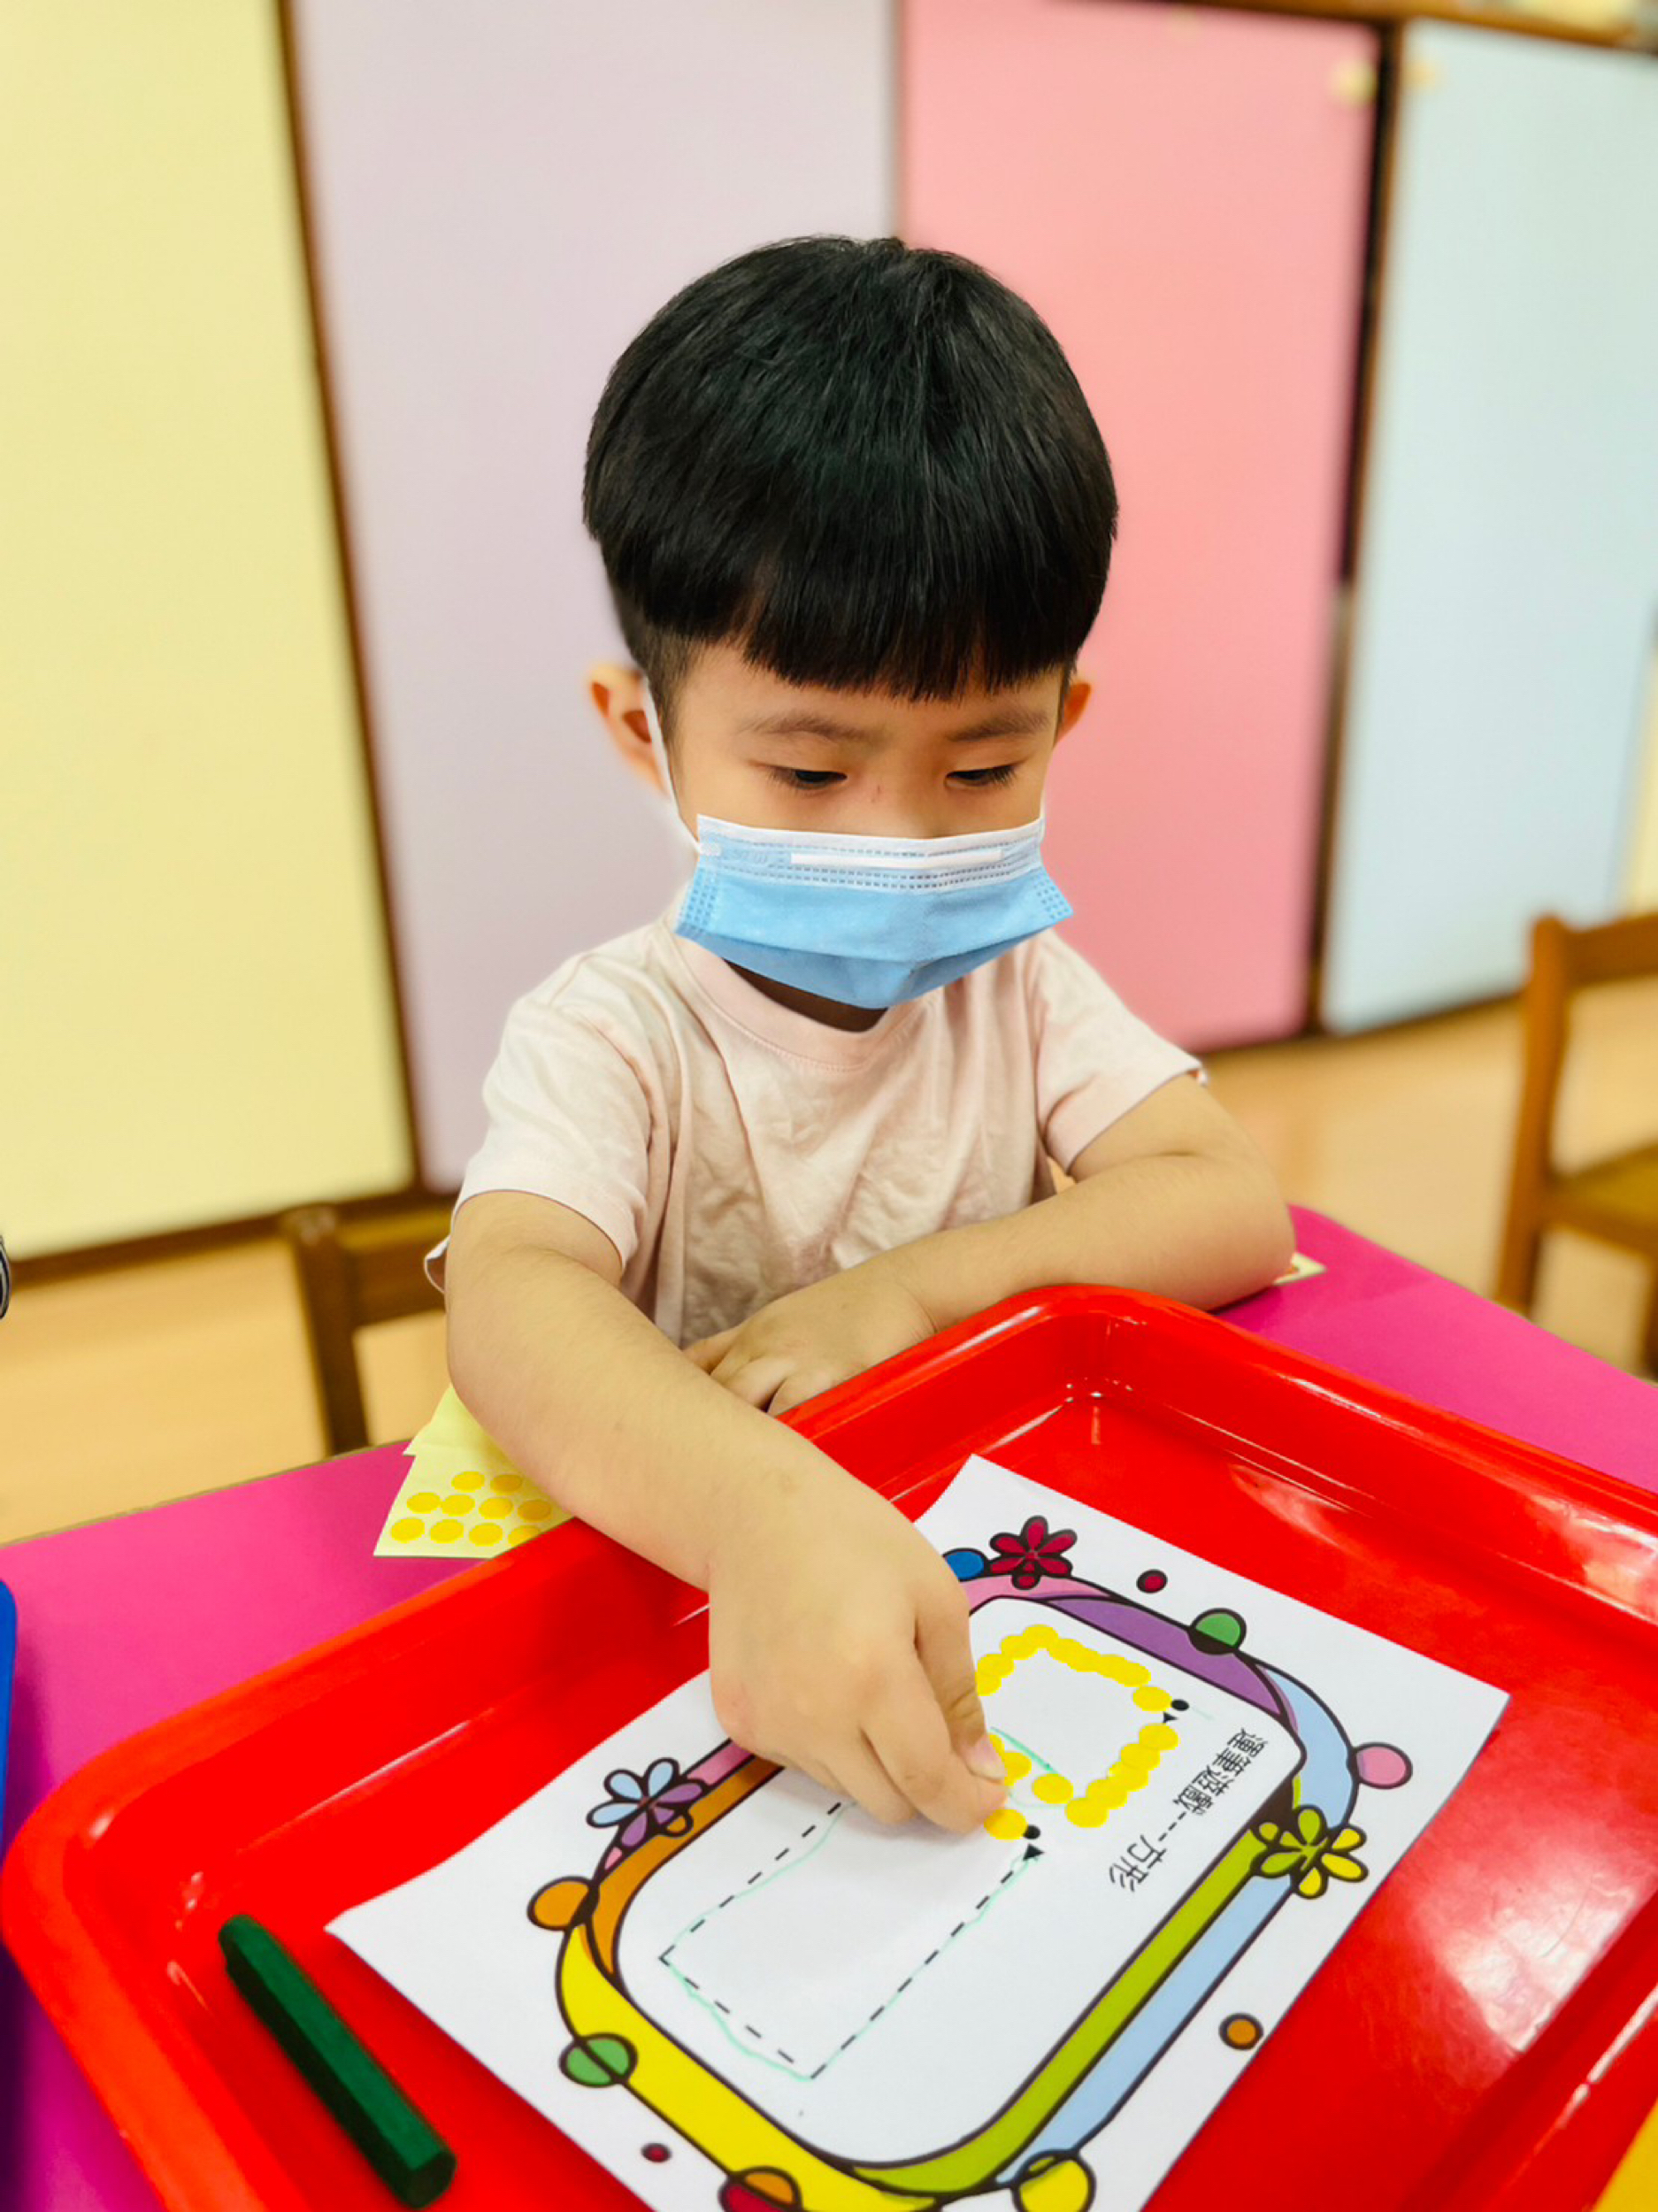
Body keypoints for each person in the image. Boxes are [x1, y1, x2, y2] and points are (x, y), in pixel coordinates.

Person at [434, 237, 1293, 1837]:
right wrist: (752, 1511)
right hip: (693, 1608)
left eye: (979, 772)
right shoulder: (615, 1031)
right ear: (644, 733)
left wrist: (903, 1298)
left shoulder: (1013, 987)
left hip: (989, 1569)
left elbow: (1229, 1201)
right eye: (812, 775)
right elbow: (510, 1300)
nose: (898, 837)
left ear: (1060, 727)